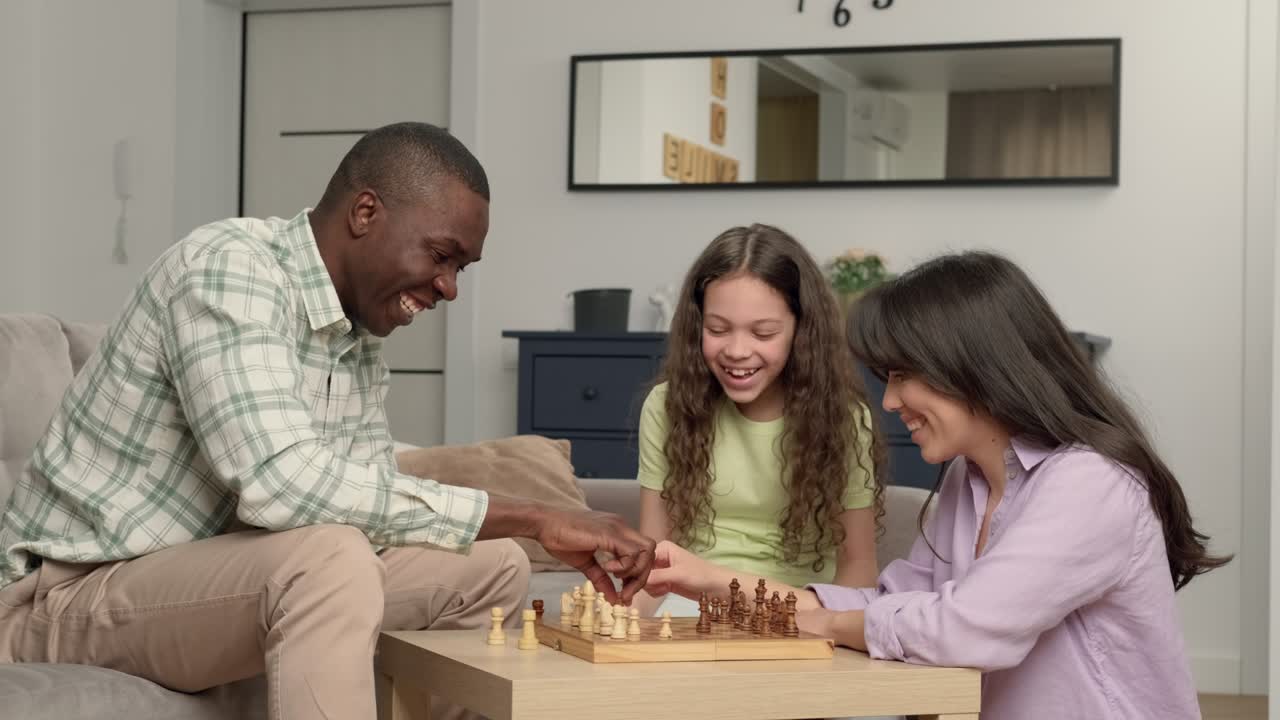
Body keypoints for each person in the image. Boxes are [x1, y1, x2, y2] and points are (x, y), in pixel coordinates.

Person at [0, 122, 655, 719]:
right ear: (366, 212)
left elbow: (361, 511)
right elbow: (281, 485)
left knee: (494, 566)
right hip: (66, 597)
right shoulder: (230, 269)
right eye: (442, 255)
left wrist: (506, 531)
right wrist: (537, 514)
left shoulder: (354, 342)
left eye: (461, 267)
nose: (450, 286)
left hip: (194, 588)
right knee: (330, 559)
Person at [646, 250, 1227, 719]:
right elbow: (890, 605)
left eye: (903, 375)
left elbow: (959, 629)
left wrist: (828, 622)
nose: (891, 401)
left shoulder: (1090, 483)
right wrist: (707, 580)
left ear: (973, 366)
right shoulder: (966, 480)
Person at [634, 224, 884, 616]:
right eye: (717, 330)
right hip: (692, 610)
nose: (737, 351)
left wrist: (836, 635)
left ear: (801, 332)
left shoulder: (845, 419)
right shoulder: (666, 406)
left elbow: (858, 567)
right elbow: (655, 559)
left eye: (763, 333)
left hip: (798, 613)